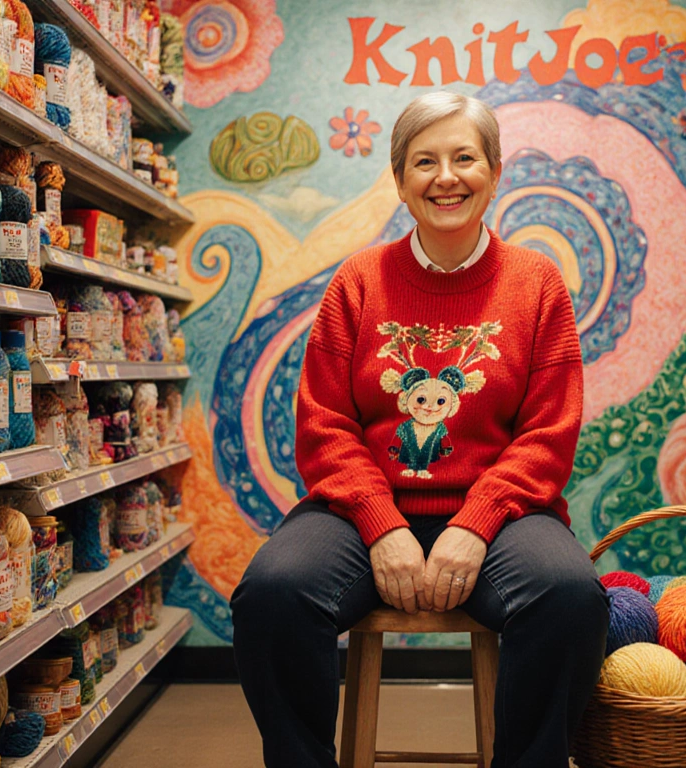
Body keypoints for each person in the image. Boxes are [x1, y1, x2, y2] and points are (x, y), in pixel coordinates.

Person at [231, 92, 609, 768]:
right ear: (400, 180)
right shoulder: (358, 280)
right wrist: (382, 525)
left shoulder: (537, 282)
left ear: (494, 170)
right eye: (424, 161)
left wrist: (475, 522)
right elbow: (323, 425)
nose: (446, 177)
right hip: (357, 515)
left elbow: (549, 431)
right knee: (273, 593)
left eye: (464, 157)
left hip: (503, 519)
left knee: (571, 595)